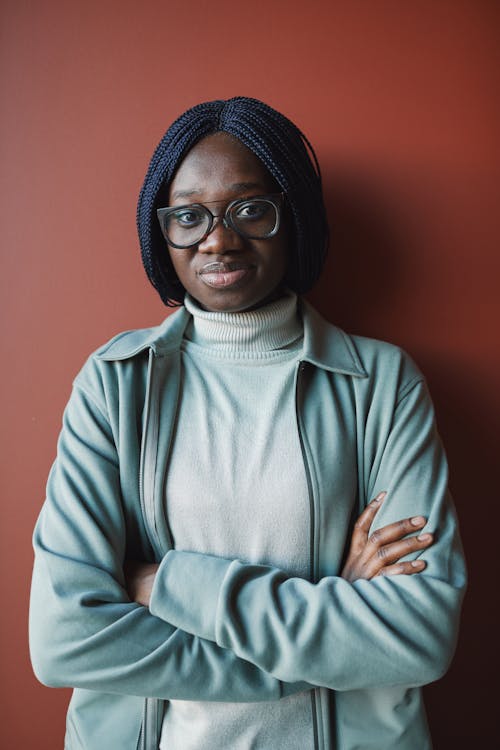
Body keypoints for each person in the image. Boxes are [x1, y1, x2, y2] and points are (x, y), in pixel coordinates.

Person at [29, 97, 466, 750]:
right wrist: (325, 633)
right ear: (163, 231)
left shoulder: (381, 385)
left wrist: (166, 584)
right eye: (189, 216)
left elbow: (418, 636)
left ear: (293, 218)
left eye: (250, 209)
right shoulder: (115, 384)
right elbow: (65, 640)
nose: (218, 239)